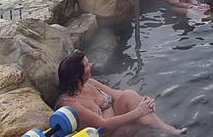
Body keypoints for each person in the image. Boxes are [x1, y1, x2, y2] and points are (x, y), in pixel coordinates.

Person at [57, 51, 185, 136]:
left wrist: (144, 102)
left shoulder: (90, 83)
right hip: (107, 133)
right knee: (141, 124)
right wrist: (139, 111)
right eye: (86, 65)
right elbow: (104, 125)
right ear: (77, 74)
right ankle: (166, 130)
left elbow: (117, 95)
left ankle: (165, 129)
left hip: (118, 119)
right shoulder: (71, 103)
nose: (91, 65)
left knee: (129, 95)